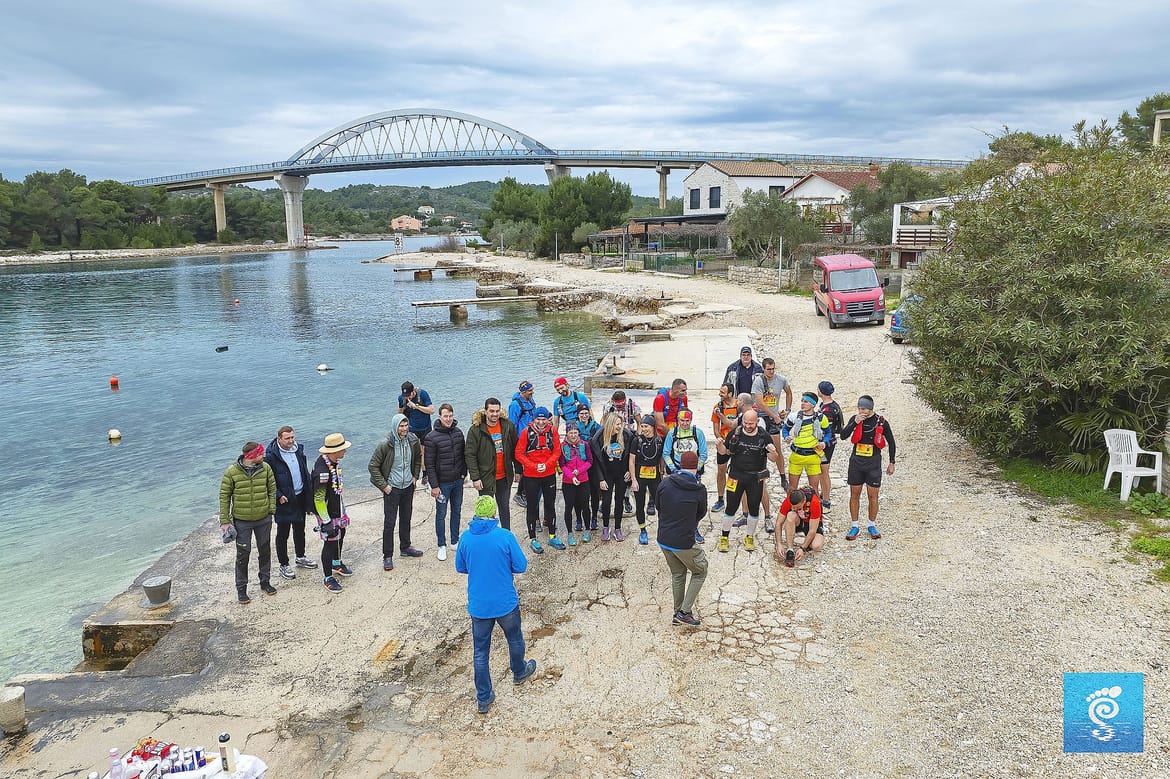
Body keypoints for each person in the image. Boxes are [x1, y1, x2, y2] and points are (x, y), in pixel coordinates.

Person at [454, 495, 538, 715]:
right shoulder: (504, 536)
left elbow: (460, 567)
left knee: (480, 651)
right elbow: (521, 566)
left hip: (479, 606)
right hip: (505, 602)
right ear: (493, 514)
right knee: (514, 638)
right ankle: (519, 671)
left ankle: (484, 697)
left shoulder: (465, 538)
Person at [655, 450, 709, 628]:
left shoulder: (665, 483)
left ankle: (677, 612)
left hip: (663, 538)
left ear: (679, 464)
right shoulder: (699, 489)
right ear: (697, 467)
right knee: (700, 571)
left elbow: (658, 506)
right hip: (683, 540)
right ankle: (685, 612)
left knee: (678, 574)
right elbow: (701, 513)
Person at [219, 441, 277, 604]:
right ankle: (241, 589)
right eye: (260, 453)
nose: (263, 456)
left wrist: (271, 509)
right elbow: (224, 496)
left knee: (264, 550)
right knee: (243, 555)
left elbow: (272, 489)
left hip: (263, 518)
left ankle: (265, 582)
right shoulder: (231, 472)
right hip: (242, 521)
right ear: (251, 456)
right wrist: (225, 520)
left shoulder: (266, 468)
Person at [714, 410, 779, 553]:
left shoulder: (763, 435)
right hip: (735, 476)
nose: (748, 426)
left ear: (757, 422)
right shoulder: (735, 433)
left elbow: (774, 459)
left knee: (754, 508)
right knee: (731, 507)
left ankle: (749, 536)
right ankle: (724, 537)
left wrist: (773, 451)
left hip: (755, 478)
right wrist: (719, 446)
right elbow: (725, 452)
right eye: (746, 423)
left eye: (751, 423)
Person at [369, 413, 424, 572]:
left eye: (406, 425)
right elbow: (373, 466)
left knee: (406, 518)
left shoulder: (413, 441)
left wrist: (415, 476)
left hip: (408, 486)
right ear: (395, 427)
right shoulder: (386, 444)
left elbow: (418, 458)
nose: (404, 428)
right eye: (401, 426)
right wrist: (384, 486)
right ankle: (387, 555)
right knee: (389, 523)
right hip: (392, 488)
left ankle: (405, 547)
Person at [840, 395, 897, 540]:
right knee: (855, 494)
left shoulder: (882, 422)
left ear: (870, 409)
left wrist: (892, 462)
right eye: (859, 408)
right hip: (856, 462)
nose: (861, 411)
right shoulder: (856, 418)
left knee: (873, 495)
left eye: (863, 408)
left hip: (873, 463)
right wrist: (854, 423)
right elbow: (843, 435)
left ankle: (871, 524)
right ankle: (855, 525)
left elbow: (891, 442)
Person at [265, 426, 317, 580]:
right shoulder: (271, 456)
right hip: (284, 500)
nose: (291, 441)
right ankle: (283, 564)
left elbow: (303, 471)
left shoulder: (297, 450)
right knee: (283, 533)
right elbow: (268, 480)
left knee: (300, 529)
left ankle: (300, 557)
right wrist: (278, 495)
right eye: (287, 438)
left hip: (300, 495)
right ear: (279, 438)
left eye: (292, 437)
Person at [465, 397, 519, 531]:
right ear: (485, 411)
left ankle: (506, 534)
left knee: (504, 508)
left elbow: (515, 449)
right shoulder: (475, 430)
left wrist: (518, 470)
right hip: (485, 477)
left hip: (504, 476)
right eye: (491, 411)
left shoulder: (507, 426)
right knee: (487, 510)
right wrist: (475, 477)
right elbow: (470, 455)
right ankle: (488, 535)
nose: (495, 414)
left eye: (497, 411)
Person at [311, 433, 354, 593]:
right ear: (335, 451)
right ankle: (328, 577)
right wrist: (326, 522)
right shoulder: (323, 471)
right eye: (343, 449)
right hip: (327, 513)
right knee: (329, 542)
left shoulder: (333, 463)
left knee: (341, 533)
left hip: (337, 508)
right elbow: (319, 498)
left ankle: (337, 563)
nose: (345, 451)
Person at [425, 403, 466, 562]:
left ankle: (454, 541)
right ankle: (441, 544)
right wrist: (434, 486)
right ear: (440, 417)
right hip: (442, 484)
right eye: (445, 416)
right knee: (441, 514)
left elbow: (463, 455)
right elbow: (429, 463)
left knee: (456, 510)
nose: (448, 419)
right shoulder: (431, 437)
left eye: (450, 416)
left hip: (457, 481)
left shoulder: (458, 433)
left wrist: (464, 473)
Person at [514, 406, 560, 553]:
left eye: (543, 419)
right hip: (531, 476)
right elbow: (519, 454)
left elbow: (557, 451)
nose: (541, 422)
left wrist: (546, 465)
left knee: (550, 505)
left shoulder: (552, 431)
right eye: (538, 419)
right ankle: (533, 539)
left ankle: (552, 536)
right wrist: (533, 466)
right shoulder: (526, 433)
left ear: (548, 419)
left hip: (548, 474)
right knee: (532, 507)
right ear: (533, 419)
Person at [590, 412, 634, 540]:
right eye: (617, 424)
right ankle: (605, 527)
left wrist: (629, 471)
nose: (619, 427)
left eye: (621, 424)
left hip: (621, 474)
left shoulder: (626, 435)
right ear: (610, 424)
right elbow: (596, 462)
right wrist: (600, 479)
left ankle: (618, 528)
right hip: (606, 474)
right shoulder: (599, 438)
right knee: (606, 501)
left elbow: (631, 456)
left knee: (619, 501)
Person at [751, 358, 793, 491]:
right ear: (763, 369)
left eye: (773, 368)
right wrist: (774, 415)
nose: (771, 371)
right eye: (768, 369)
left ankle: (782, 476)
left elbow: (788, 392)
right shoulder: (758, 381)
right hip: (762, 417)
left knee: (777, 448)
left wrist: (787, 409)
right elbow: (759, 402)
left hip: (774, 418)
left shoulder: (781, 379)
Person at [782, 391, 832, 498]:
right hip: (796, 455)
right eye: (802, 401)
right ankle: (790, 509)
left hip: (813, 456)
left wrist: (824, 442)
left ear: (813, 404)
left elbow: (828, 432)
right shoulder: (794, 416)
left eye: (806, 402)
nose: (802, 404)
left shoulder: (821, 418)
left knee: (814, 488)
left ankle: (815, 511)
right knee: (792, 487)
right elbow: (785, 428)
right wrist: (786, 437)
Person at [628, 415, 664, 545]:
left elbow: (661, 458)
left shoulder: (659, 440)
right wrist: (633, 480)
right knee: (640, 504)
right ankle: (643, 530)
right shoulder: (636, 440)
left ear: (653, 427)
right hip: (640, 476)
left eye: (646, 426)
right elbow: (631, 461)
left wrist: (662, 472)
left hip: (655, 477)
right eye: (642, 426)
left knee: (660, 504)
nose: (644, 429)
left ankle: (662, 530)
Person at [558, 425, 592, 545]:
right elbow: (562, 464)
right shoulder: (562, 447)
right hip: (568, 481)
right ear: (567, 434)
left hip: (583, 480)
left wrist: (579, 471)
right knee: (569, 506)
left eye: (575, 433)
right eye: (570, 433)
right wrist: (572, 476)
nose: (573, 435)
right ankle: (570, 533)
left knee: (585, 505)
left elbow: (589, 461)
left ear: (578, 433)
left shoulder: (584, 445)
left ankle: (587, 530)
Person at [776, 487, 825, 567]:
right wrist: (779, 544)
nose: (793, 508)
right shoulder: (789, 499)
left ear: (804, 501)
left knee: (817, 546)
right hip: (799, 521)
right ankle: (790, 550)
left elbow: (812, 530)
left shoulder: (814, 502)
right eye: (792, 507)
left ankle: (808, 543)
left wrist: (803, 548)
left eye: (797, 507)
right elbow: (778, 523)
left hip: (812, 523)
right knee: (790, 515)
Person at [710, 382, 740, 513]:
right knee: (721, 470)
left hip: (738, 443)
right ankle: (721, 499)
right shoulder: (717, 407)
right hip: (724, 443)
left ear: (730, 394)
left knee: (737, 472)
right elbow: (716, 429)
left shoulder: (739, 406)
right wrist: (721, 442)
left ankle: (734, 498)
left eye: (723, 392)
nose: (720, 394)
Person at [508, 381, 538, 508]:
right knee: (526, 469)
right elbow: (512, 425)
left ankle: (525, 493)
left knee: (530, 467)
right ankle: (520, 493)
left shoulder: (530, 401)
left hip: (532, 438)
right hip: (522, 441)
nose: (532, 392)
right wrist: (515, 444)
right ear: (523, 392)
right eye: (530, 390)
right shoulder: (515, 405)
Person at [816, 381, 844, 511]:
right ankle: (824, 494)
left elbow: (826, 428)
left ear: (821, 392)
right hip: (830, 442)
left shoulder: (827, 410)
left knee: (824, 471)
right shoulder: (831, 405)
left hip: (826, 444)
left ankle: (826, 500)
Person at [398, 381, 435, 478]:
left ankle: (425, 474)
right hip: (411, 429)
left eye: (409, 395)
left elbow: (432, 410)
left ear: (413, 390)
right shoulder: (402, 398)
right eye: (405, 395)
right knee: (412, 452)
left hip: (425, 428)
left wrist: (416, 406)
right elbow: (400, 413)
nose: (408, 397)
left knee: (424, 452)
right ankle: (412, 475)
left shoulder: (422, 394)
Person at [574, 406, 602, 529]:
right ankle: (579, 518)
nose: (584, 416)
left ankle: (594, 517)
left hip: (593, 464)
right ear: (578, 415)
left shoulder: (596, 427)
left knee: (595, 493)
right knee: (578, 494)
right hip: (578, 465)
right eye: (581, 413)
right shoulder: (574, 427)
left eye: (586, 413)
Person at [663, 408, 708, 482]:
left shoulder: (698, 433)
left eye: (687, 421)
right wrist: (673, 469)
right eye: (682, 420)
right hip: (676, 467)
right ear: (678, 420)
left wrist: (696, 469)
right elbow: (666, 453)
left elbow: (703, 454)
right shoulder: (671, 433)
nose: (684, 423)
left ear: (691, 420)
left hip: (693, 469)